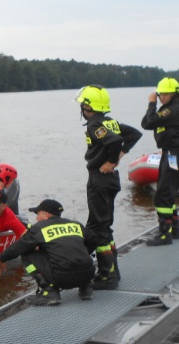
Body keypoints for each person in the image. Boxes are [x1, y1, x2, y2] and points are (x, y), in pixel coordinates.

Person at [74, 85, 142, 290]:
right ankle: (113, 270)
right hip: (111, 180)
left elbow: (114, 140)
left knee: (98, 227)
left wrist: (112, 160)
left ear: (88, 106)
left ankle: (107, 275)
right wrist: (120, 155)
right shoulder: (110, 122)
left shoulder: (94, 124)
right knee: (105, 225)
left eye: (82, 104)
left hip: (100, 180)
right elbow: (133, 134)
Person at [0, 199, 96, 306]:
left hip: (62, 278)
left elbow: (19, 247)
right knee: (76, 251)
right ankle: (85, 289)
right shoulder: (76, 224)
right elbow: (94, 241)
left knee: (26, 252)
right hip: (88, 274)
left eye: (38, 214)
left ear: (46, 215)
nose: (36, 218)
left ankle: (49, 292)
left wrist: (1, 259)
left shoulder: (40, 227)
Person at [141, 77, 179, 245]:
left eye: (165, 94)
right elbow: (146, 123)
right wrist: (154, 107)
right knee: (168, 192)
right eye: (160, 94)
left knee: (162, 194)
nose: (162, 97)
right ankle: (175, 229)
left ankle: (164, 234)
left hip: (173, 154)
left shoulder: (172, 110)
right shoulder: (168, 109)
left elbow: (149, 122)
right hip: (170, 153)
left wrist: (151, 103)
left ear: (174, 94)